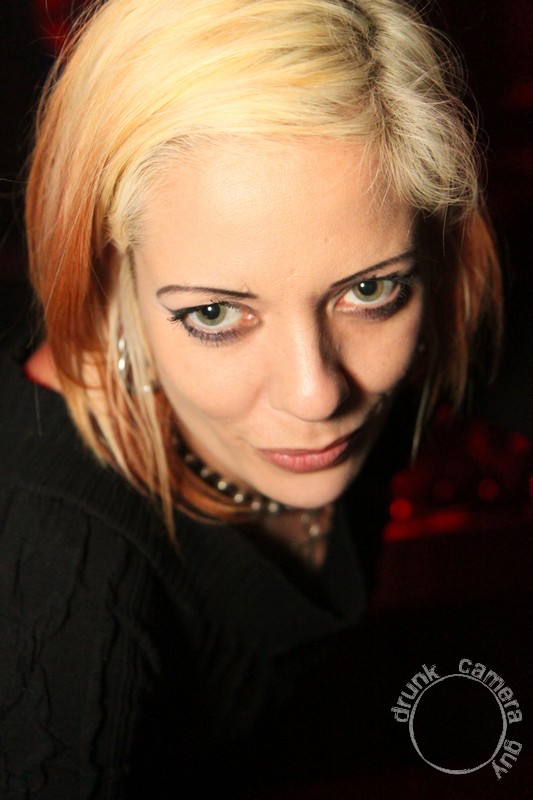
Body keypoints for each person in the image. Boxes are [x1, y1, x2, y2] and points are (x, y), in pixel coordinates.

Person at [0, 0, 502, 797]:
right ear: (112, 279)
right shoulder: (67, 585)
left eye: (367, 290)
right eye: (213, 314)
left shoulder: (422, 320)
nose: (316, 395)